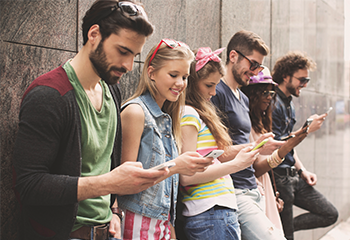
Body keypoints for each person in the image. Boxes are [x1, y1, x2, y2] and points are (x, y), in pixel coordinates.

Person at [12, 1, 172, 240]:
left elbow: (104, 163)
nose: (129, 66)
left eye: (134, 56)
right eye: (123, 51)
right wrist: (109, 184)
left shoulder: (111, 90)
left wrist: (113, 210)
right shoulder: (49, 95)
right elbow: (29, 185)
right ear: (94, 34)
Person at [117, 39, 214, 240]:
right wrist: (176, 166)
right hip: (136, 221)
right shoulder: (135, 112)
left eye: (185, 77)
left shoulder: (168, 117)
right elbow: (125, 181)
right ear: (151, 73)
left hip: (162, 223)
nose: (180, 83)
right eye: (173, 75)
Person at [175, 47, 261, 240]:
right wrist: (236, 165)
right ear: (191, 83)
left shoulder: (196, 113)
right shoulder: (188, 113)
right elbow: (187, 176)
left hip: (216, 211)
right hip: (210, 211)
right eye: (209, 85)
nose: (214, 92)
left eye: (216, 85)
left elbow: (212, 157)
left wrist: (251, 148)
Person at [210, 30, 286, 240]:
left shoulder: (242, 98)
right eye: (253, 64)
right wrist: (257, 147)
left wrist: (260, 145)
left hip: (252, 189)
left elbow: (246, 145)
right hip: (234, 192)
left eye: (259, 66)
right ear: (233, 56)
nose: (255, 71)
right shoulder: (216, 93)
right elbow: (212, 152)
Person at [271, 51, 338, 240]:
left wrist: (303, 171)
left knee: (329, 213)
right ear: (286, 76)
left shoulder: (289, 104)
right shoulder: (272, 102)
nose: (305, 85)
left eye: (307, 80)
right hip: (279, 178)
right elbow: (277, 144)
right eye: (302, 80)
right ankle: (284, 229)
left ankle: (285, 226)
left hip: (294, 176)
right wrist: (306, 130)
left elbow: (291, 145)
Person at [241, 67, 308, 237]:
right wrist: (283, 150)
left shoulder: (262, 120)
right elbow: (255, 168)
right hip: (252, 189)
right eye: (265, 93)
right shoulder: (245, 122)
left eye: (271, 93)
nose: (269, 97)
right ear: (252, 94)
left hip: (266, 188)